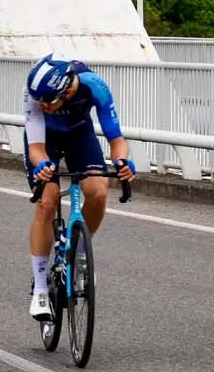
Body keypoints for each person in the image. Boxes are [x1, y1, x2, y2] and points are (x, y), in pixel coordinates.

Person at [21, 54, 135, 321]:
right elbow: (36, 148)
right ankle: (39, 288)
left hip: (78, 134)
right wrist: (41, 166)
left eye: (48, 103)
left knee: (98, 190)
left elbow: (116, 138)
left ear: (65, 90)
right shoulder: (33, 94)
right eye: (40, 103)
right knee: (47, 202)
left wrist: (122, 161)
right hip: (45, 140)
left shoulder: (93, 86)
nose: (43, 107)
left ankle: (80, 258)